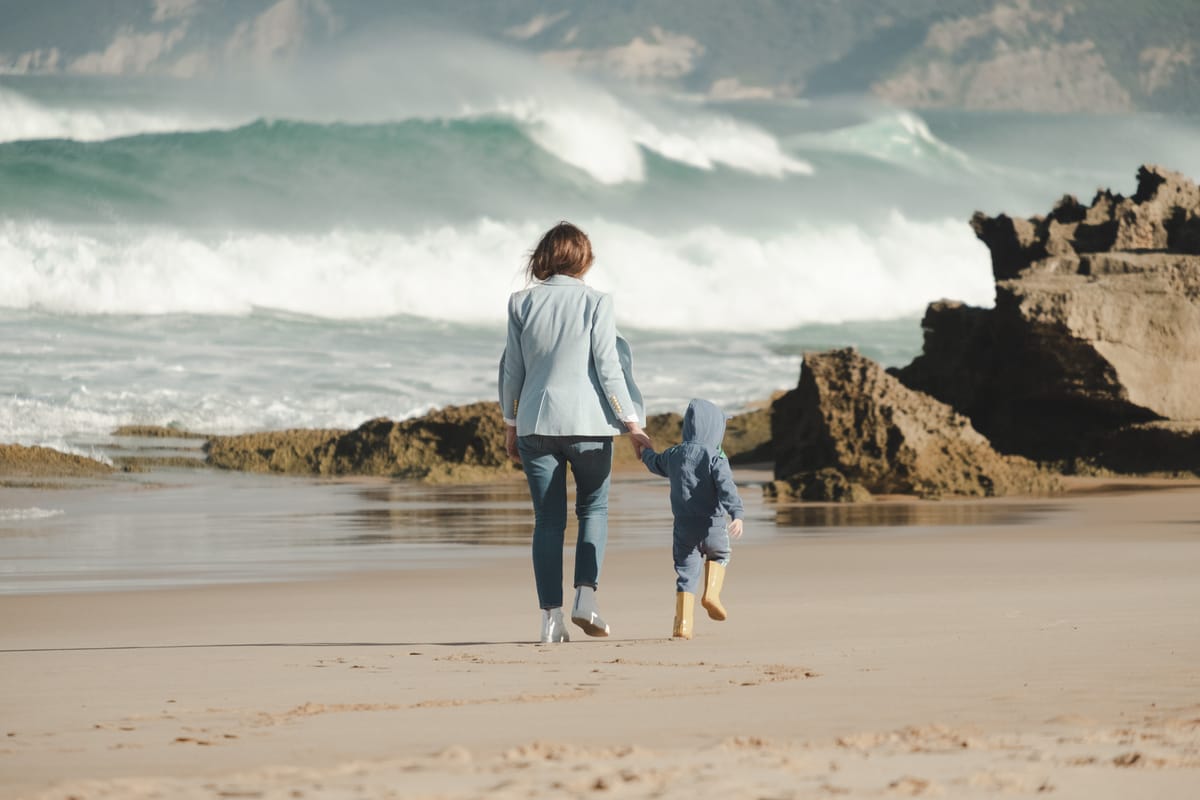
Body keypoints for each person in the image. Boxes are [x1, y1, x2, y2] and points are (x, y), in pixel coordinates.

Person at [499, 221, 651, 644]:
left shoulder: (520, 303)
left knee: (547, 521)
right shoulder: (597, 302)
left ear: (544, 258)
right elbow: (608, 367)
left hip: (536, 423)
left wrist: (511, 424)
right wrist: (632, 425)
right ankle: (586, 596)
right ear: (584, 259)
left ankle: (551, 618)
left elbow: (513, 371)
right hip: (589, 425)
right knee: (594, 510)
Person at [639, 398, 745, 640]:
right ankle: (711, 595)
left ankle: (683, 625)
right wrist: (736, 514)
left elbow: (654, 463)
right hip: (714, 524)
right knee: (720, 555)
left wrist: (644, 451)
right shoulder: (716, 457)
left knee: (686, 574)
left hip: (684, 528)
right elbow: (726, 486)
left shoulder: (674, 454)